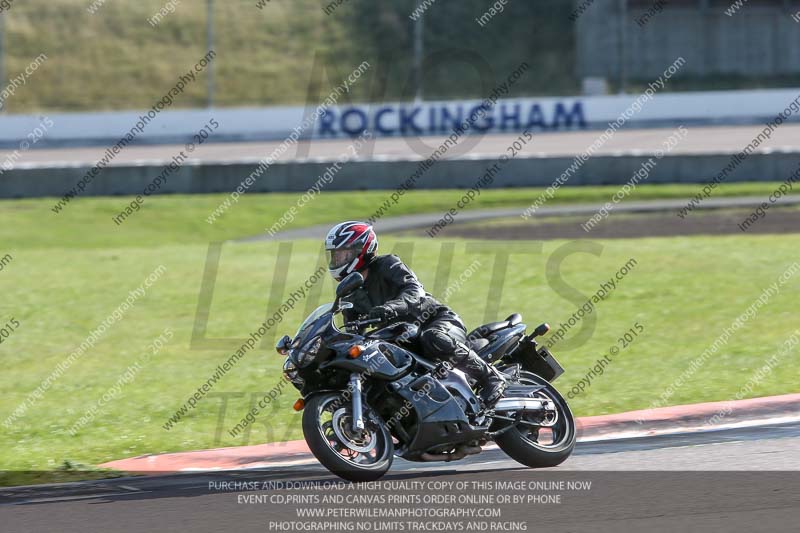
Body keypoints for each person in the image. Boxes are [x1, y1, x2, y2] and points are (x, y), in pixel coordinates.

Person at [324, 220, 506, 408]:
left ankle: (492, 378)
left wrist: (391, 308)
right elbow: (353, 332)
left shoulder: (387, 264)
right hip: (402, 337)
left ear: (362, 249)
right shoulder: (350, 290)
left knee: (432, 337)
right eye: (335, 255)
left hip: (435, 321)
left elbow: (414, 291)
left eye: (343, 253)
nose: (337, 260)